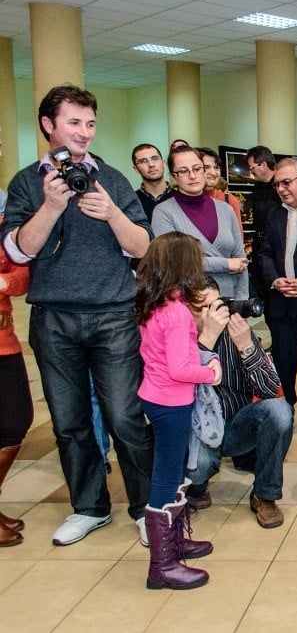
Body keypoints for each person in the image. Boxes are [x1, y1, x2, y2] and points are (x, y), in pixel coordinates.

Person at [2, 85, 154, 547]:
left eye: (89, 123)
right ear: (49, 125)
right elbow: (17, 250)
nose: (84, 132)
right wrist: (51, 206)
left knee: (126, 416)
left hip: (113, 315)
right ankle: (89, 507)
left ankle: (148, 509)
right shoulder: (27, 183)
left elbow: (144, 247)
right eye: (73, 123)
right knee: (70, 421)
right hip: (54, 319)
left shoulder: (113, 179)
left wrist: (111, 213)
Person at [136, 232, 217, 590]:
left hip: (158, 397)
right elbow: (180, 369)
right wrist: (210, 371)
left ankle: (175, 541)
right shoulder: (178, 314)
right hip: (172, 401)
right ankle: (162, 564)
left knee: (172, 470)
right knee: (167, 477)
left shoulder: (154, 305)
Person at [185, 275, 293, 528]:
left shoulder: (235, 334)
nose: (213, 315)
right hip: (195, 431)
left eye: (216, 306)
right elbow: (183, 397)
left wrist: (246, 346)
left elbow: (270, 390)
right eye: (203, 308)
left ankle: (265, 495)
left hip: (234, 426)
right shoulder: (178, 337)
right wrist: (206, 343)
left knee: (279, 411)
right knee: (199, 466)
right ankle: (196, 488)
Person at [257, 158, 297, 416]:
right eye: (277, 185)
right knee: (283, 359)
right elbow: (263, 253)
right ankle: (286, 408)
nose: (281, 188)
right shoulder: (274, 213)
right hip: (282, 302)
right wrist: (275, 280)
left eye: (286, 182)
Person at [152, 145, 249, 299]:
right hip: (187, 304)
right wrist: (226, 264)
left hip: (229, 303)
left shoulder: (226, 210)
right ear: (173, 177)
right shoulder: (163, 212)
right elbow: (174, 262)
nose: (192, 175)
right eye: (183, 171)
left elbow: (241, 261)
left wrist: (242, 303)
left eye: (197, 168)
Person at [0, 207, 31, 547]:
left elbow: (21, 277)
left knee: (16, 419)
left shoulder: (2, 226)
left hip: (5, 340)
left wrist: (3, 281)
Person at [245, 145, 282, 305]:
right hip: (259, 244)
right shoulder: (257, 188)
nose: (251, 172)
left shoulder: (280, 187)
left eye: (252, 168)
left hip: (277, 244)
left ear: (263, 164)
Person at [197, 147, 242, 226]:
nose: (213, 173)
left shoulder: (230, 200)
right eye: (206, 167)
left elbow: (237, 236)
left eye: (216, 167)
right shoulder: (183, 200)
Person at [131, 143, 174, 222]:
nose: (151, 165)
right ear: (136, 169)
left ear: (163, 163)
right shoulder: (131, 201)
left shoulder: (179, 197)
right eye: (143, 161)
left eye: (155, 158)